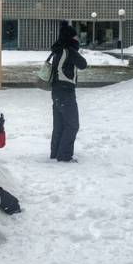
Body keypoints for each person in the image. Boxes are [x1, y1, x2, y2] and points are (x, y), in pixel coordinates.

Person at [49, 21, 87, 162]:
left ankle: (55, 152)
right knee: (72, 125)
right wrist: (75, 50)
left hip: (56, 91)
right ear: (70, 37)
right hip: (66, 92)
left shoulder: (57, 50)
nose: (77, 39)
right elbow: (83, 64)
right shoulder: (69, 51)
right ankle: (64, 155)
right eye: (75, 36)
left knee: (59, 124)